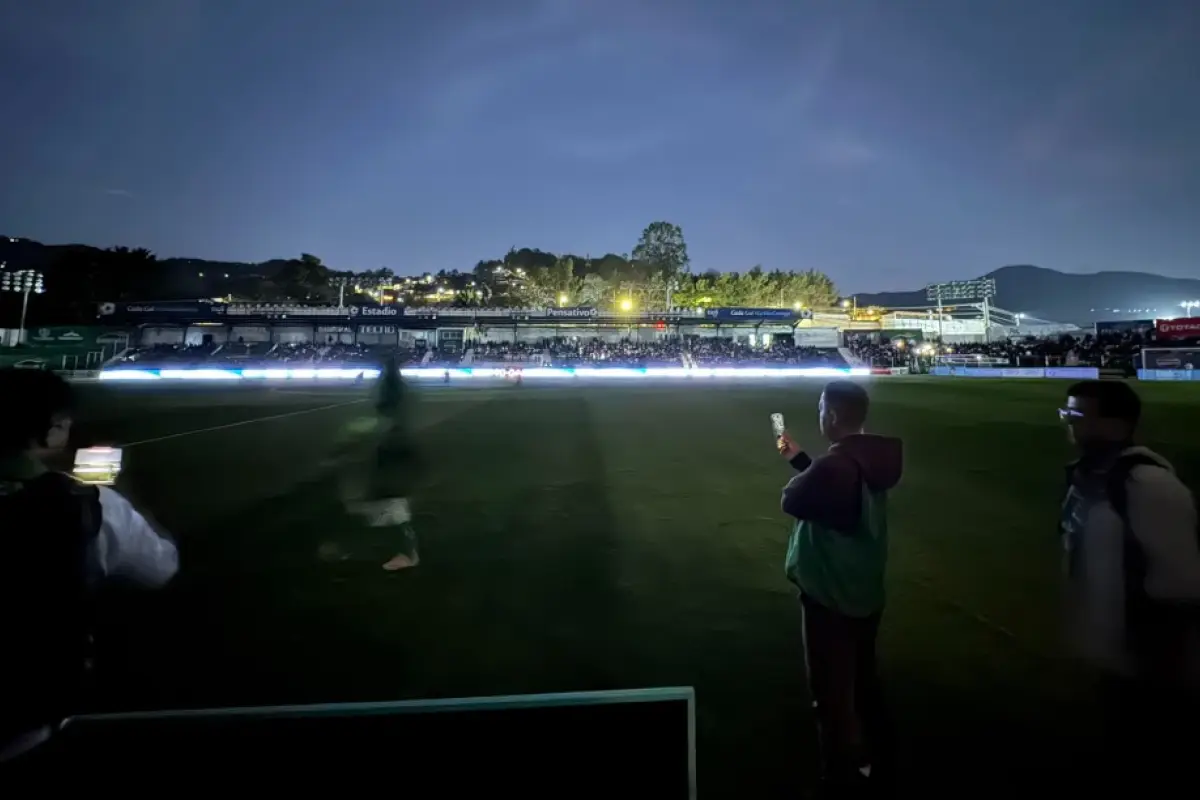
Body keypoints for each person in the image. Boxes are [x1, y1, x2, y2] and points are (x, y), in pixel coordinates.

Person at [0, 368, 179, 765]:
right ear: (53, 432)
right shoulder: (89, 504)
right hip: (27, 723)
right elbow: (159, 568)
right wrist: (116, 491)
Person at [1058, 381, 1200, 782]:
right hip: (1110, 655)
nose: (1069, 423)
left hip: (1146, 666)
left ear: (1118, 424)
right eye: (1066, 414)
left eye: (1078, 416)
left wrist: (1158, 662)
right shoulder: (1090, 476)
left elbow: (1183, 583)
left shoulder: (1148, 485)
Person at [776, 380, 903, 794]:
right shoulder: (872, 457)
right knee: (865, 678)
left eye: (820, 409)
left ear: (831, 415)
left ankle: (843, 773)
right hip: (863, 584)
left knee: (831, 691)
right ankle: (879, 757)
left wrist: (804, 472)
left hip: (829, 590)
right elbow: (841, 493)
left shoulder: (835, 466)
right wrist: (801, 461)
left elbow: (793, 501)